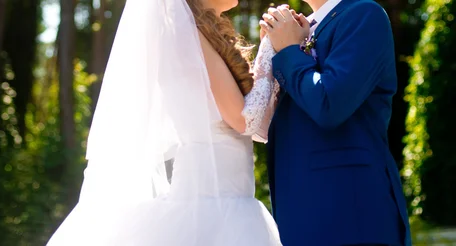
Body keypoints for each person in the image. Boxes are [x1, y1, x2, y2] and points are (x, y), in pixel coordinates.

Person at [45, 0, 284, 245]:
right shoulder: (184, 36)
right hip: (209, 207)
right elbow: (243, 120)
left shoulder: (199, 35)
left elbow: (257, 127)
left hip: (229, 200)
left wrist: (275, 55)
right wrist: (269, 50)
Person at [260, 1, 412, 245]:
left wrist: (289, 50)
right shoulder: (304, 27)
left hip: (350, 210)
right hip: (301, 207)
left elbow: (329, 104)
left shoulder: (363, 14)